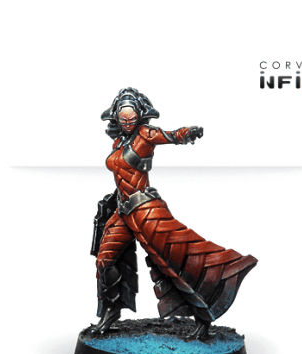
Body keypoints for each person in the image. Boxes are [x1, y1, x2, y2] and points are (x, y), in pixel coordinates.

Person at [91, 88, 257, 340]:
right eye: (122, 119)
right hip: (123, 213)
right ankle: (111, 313)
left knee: (177, 260)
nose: (127, 123)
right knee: (104, 261)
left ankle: (206, 312)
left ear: (140, 116)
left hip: (146, 212)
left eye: (131, 118)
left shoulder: (145, 135)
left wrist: (186, 134)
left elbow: (169, 136)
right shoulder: (118, 143)